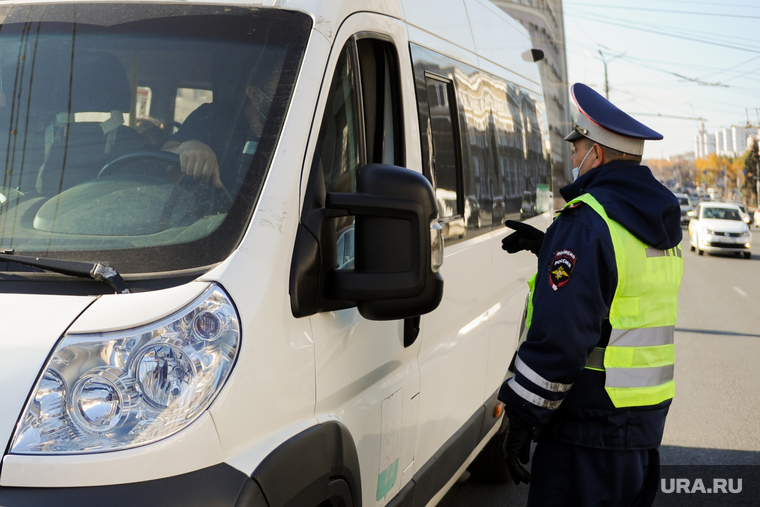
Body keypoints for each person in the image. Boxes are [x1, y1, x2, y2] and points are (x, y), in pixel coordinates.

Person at [498, 83, 684, 507]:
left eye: (577, 146)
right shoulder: (656, 218)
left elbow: (562, 336)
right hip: (641, 424)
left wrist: (523, 416)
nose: (574, 156)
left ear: (595, 154)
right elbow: (621, 288)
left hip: (586, 431)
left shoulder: (587, 221)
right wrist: (550, 247)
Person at [162, 63, 279, 193]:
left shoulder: (293, 134)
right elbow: (159, 161)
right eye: (285, 93)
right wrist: (186, 148)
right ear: (256, 95)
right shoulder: (212, 118)